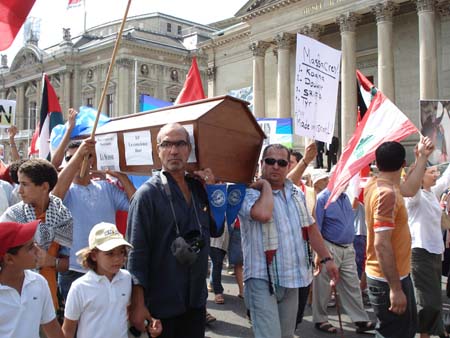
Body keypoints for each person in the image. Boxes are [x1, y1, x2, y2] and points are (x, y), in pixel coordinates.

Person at [127, 123, 222, 338]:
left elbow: (216, 229)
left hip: (195, 302)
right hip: (161, 304)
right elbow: (136, 254)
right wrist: (137, 304)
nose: (174, 150)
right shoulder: (147, 196)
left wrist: (214, 191)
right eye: (167, 144)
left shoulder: (199, 189)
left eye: (180, 144)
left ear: (189, 149)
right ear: (158, 150)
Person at [238, 143, 339, 338]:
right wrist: (266, 185)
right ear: (261, 163)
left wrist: (327, 259)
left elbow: (310, 228)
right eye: (270, 161)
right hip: (262, 279)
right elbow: (264, 214)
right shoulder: (249, 193)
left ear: (287, 166)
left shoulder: (296, 193)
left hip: (293, 279)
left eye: (282, 162)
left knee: (286, 335)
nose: (276, 166)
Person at [364, 138, 434, 338]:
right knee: (395, 333)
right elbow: (382, 244)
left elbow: (410, 189)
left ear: (377, 163)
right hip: (388, 280)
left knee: (401, 331)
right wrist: (395, 289)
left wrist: (422, 158)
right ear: (403, 164)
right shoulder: (387, 194)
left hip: (393, 275)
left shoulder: (378, 184)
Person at [52, 138, 135, 301]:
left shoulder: (106, 188)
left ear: (92, 160)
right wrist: (78, 157)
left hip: (108, 268)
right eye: (70, 158)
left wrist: (122, 177)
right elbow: (55, 196)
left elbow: (137, 205)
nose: (77, 161)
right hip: (74, 271)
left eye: (84, 156)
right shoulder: (66, 191)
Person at [62, 222, 162, 338]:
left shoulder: (127, 278)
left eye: (121, 252)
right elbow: (68, 330)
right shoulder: (79, 287)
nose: (118, 258)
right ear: (94, 255)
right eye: (110, 253)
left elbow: (133, 309)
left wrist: (151, 323)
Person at [0, 159, 73, 311]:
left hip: (47, 298)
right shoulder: (12, 217)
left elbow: (69, 264)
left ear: (44, 187)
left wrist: (51, 261)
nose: (19, 190)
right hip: (12, 300)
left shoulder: (62, 216)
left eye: (25, 184)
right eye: (19, 183)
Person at [313, 188, 375, 334]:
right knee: (323, 286)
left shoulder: (345, 197)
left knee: (352, 283)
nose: (346, 183)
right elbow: (316, 227)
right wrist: (319, 252)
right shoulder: (323, 198)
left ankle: (360, 319)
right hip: (329, 246)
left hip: (347, 247)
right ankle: (320, 319)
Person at [405, 159, 450, 338]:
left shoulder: (432, 193)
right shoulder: (414, 197)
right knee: (426, 301)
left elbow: (446, 179)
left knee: (435, 298)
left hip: (434, 252)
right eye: (431, 172)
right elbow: (412, 186)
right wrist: (420, 157)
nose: (436, 175)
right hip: (419, 252)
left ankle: (430, 333)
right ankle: (425, 333)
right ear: (420, 177)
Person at [0, 220, 64, 338]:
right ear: (9, 259)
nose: (38, 250)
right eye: (30, 247)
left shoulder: (39, 282)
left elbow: (53, 330)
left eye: (34, 243)